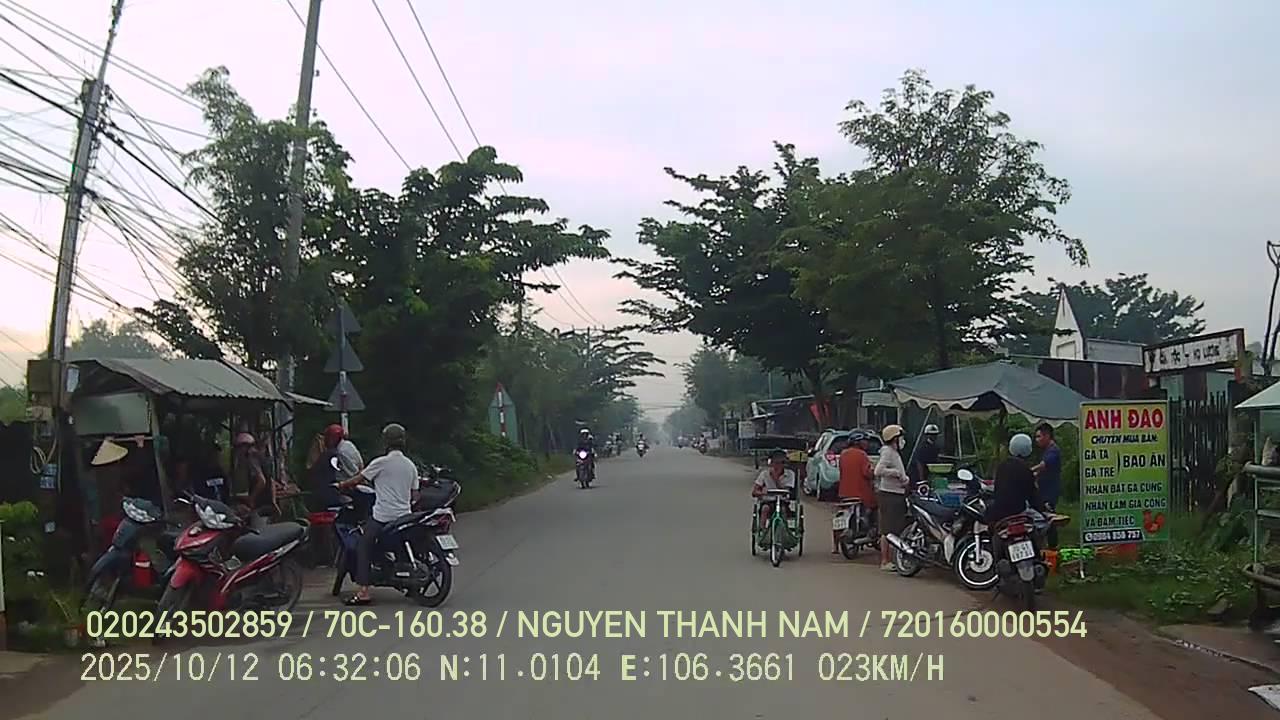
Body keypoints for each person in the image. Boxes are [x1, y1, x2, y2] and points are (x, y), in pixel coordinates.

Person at [336, 423, 419, 606]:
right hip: (404, 517)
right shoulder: (410, 465)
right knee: (401, 546)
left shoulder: (381, 462)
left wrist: (341, 485)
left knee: (363, 545)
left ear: (386, 442)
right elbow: (415, 494)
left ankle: (363, 591)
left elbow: (359, 479)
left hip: (383, 517)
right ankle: (411, 586)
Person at [985, 433, 1050, 525]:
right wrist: (1043, 509)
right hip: (1018, 512)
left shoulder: (1002, 466)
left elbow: (997, 489)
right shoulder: (1026, 470)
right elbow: (1032, 497)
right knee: (1042, 525)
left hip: (997, 513)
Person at [834, 431, 877, 554]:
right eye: (865, 441)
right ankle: (870, 532)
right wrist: (874, 472)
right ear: (858, 442)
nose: (867, 443)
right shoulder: (862, 455)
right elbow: (867, 473)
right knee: (875, 508)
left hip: (844, 493)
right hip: (861, 493)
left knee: (839, 517)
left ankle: (835, 546)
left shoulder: (843, 454)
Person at [875, 424, 909, 572]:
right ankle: (885, 560)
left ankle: (891, 559)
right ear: (894, 438)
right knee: (888, 530)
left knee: (893, 529)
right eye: (900, 437)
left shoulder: (894, 452)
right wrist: (896, 473)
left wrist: (904, 479)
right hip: (889, 494)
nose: (902, 440)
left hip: (896, 493)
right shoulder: (888, 452)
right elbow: (878, 471)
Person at [232, 433, 274, 530]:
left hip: (260, 504)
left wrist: (251, 499)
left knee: (258, 532)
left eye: (238, 448)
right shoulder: (260, 456)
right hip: (267, 502)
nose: (238, 452)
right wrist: (273, 501)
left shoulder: (251, 458)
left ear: (245, 446)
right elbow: (270, 480)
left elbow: (262, 481)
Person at [1031, 423, 1062, 548]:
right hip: (1044, 490)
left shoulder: (1053, 451)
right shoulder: (1047, 451)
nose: (1037, 440)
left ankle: (1053, 545)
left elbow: (1043, 465)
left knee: (1049, 516)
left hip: (1050, 491)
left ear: (1047, 436)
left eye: (1039, 436)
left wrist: (1028, 471)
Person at [753, 449, 797, 529]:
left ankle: (784, 530)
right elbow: (754, 492)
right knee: (765, 509)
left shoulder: (790, 474)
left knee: (783, 511)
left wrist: (775, 478)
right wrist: (763, 493)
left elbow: (786, 490)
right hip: (768, 501)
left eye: (780, 463)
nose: (777, 465)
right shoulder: (764, 474)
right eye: (775, 462)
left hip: (783, 502)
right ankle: (762, 529)